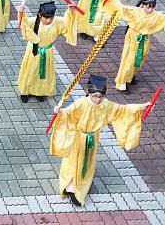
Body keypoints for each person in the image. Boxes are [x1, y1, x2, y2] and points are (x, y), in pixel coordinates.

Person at [49, 74, 146, 206]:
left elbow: (121, 110)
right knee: (74, 161)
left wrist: (140, 107)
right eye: (95, 96)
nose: (98, 99)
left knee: (87, 161)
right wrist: (59, 112)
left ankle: (82, 184)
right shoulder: (81, 103)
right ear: (88, 93)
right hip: (79, 138)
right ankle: (70, 186)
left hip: (92, 138)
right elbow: (67, 113)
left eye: (101, 96)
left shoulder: (106, 105)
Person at [105, 0, 165, 91]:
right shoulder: (134, 11)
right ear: (142, 5)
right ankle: (122, 82)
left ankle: (131, 76)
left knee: (140, 58)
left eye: (153, 7)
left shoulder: (157, 15)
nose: (150, 9)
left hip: (145, 40)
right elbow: (120, 8)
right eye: (148, 7)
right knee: (129, 59)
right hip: (133, 38)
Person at [16, 2, 76, 102]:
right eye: (46, 18)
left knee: (44, 73)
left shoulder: (56, 21)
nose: (49, 20)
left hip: (47, 52)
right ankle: (25, 92)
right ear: (40, 15)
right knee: (31, 71)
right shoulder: (33, 21)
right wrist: (21, 14)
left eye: (51, 18)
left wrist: (71, 11)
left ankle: (39, 92)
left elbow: (68, 23)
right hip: (34, 50)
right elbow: (24, 25)